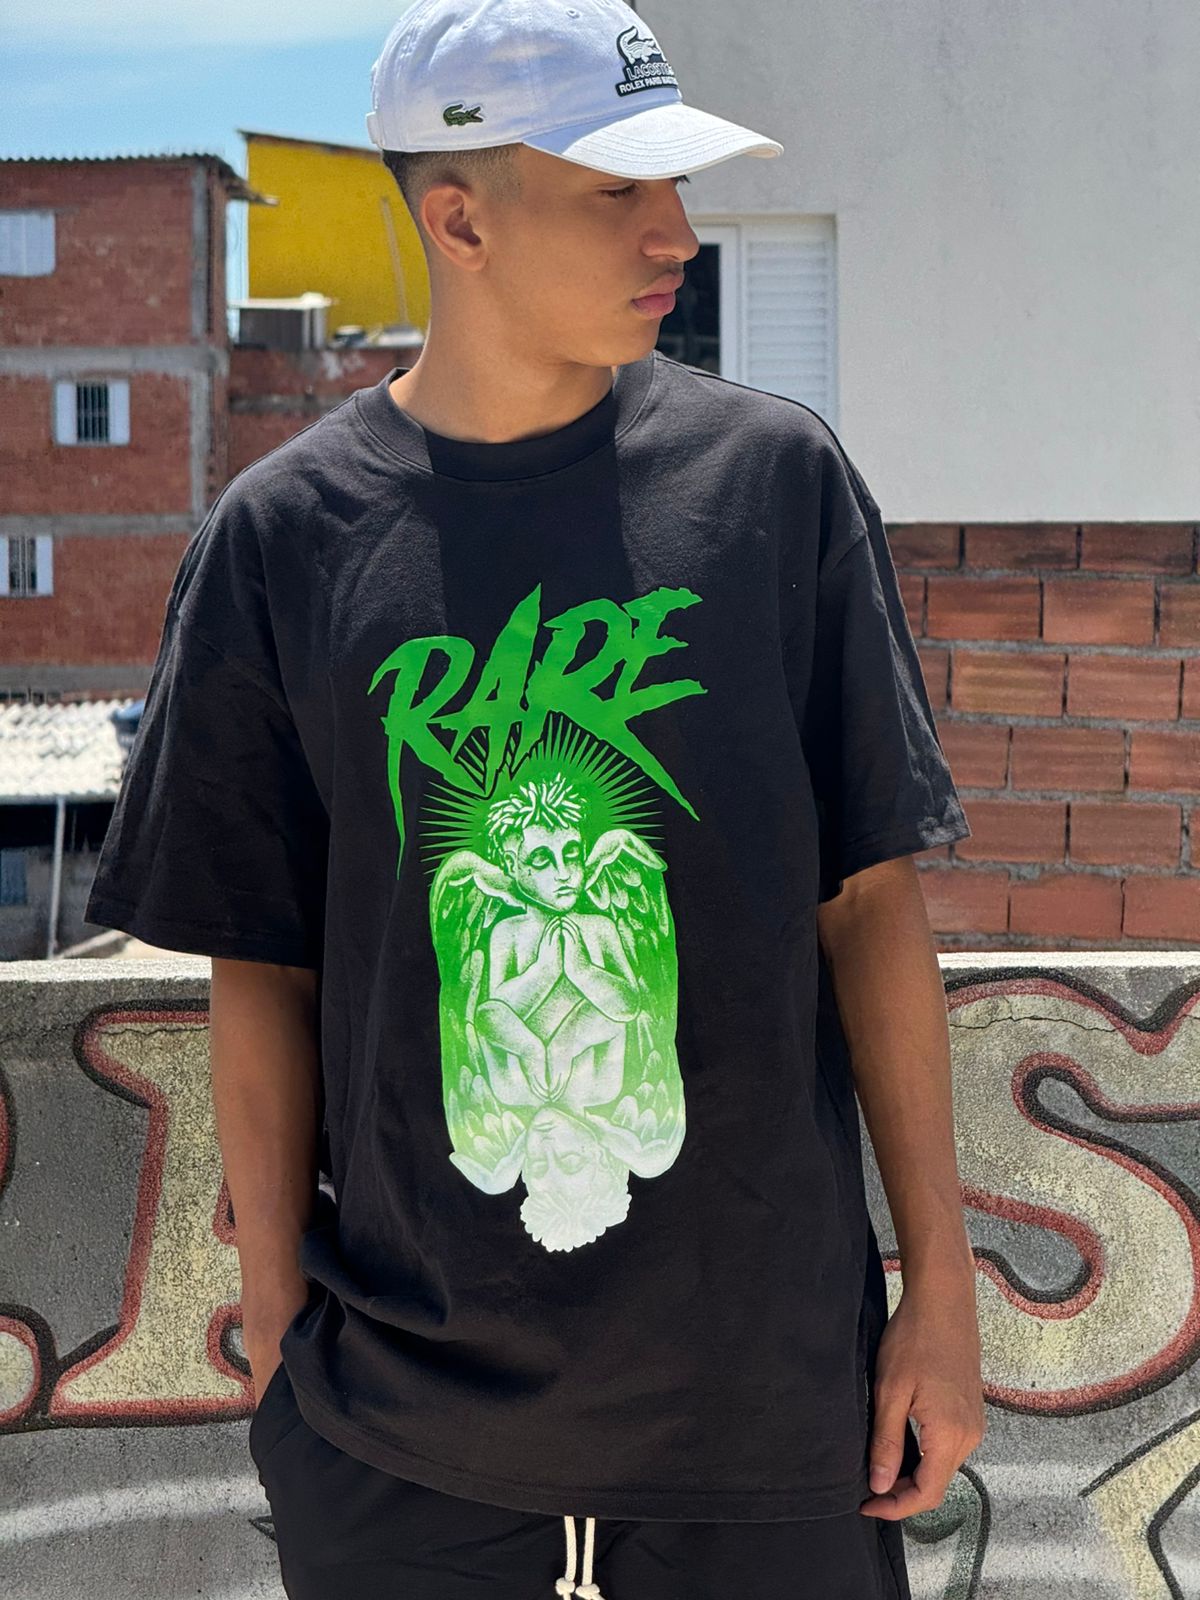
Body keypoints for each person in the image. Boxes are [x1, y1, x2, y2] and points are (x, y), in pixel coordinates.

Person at [83, 0, 986, 1594]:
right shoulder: (282, 541)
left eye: (676, 186)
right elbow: (260, 966)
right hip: (404, 1448)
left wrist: (944, 1288)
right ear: (460, 220)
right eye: (619, 190)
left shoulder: (772, 487)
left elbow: (868, 908)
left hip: (771, 1425)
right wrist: (284, 1335)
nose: (678, 233)